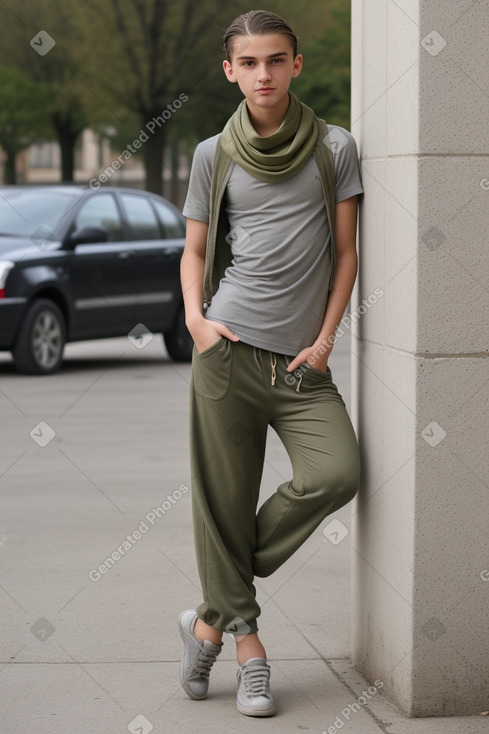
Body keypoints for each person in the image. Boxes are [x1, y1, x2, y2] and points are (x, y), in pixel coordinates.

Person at [178, 9, 363, 718]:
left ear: (295, 65)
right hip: (225, 354)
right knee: (221, 506)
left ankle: (206, 620)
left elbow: (345, 254)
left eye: (275, 60)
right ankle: (248, 648)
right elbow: (195, 252)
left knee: (335, 473)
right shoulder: (210, 155)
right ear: (230, 71)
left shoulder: (334, 148)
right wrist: (197, 323)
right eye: (248, 63)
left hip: (300, 365)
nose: (263, 74)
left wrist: (323, 343)